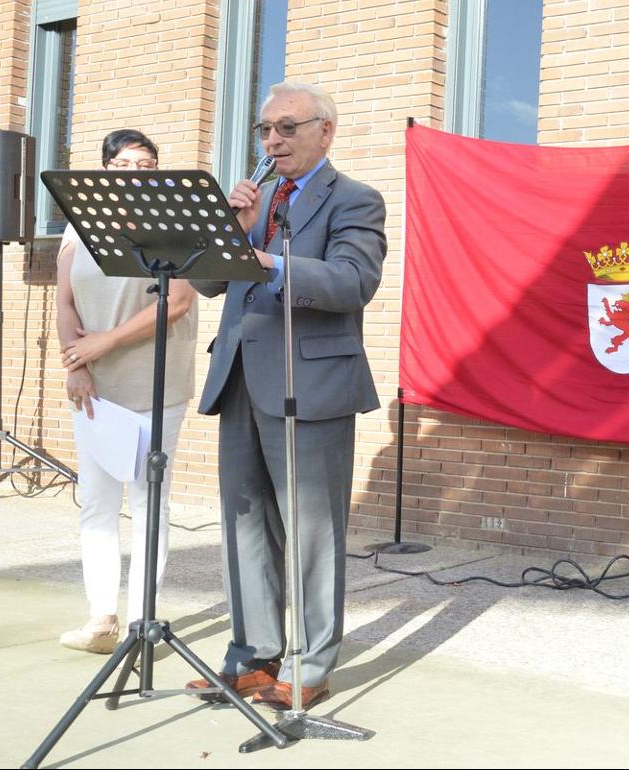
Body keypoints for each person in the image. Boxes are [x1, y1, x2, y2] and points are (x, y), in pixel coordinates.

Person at [186, 81, 386, 710]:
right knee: (244, 526)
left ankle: (310, 663)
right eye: (264, 130)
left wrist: (268, 259)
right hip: (239, 376)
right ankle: (251, 657)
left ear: (325, 131)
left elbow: (354, 281)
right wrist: (230, 233)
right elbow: (209, 283)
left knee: (311, 531)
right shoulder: (256, 199)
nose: (272, 141)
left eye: (287, 128)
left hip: (311, 386)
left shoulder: (355, 199)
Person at [55, 129, 199, 653]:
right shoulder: (78, 229)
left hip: (154, 383)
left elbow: (177, 302)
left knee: (146, 502)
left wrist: (103, 344)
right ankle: (101, 619)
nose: (136, 174)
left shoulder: (175, 225)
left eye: (147, 165)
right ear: (105, 171)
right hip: (93, 386)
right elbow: (65, 303)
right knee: (96, 502)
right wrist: (76, 364)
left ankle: (142, 623)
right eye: (124, 165)